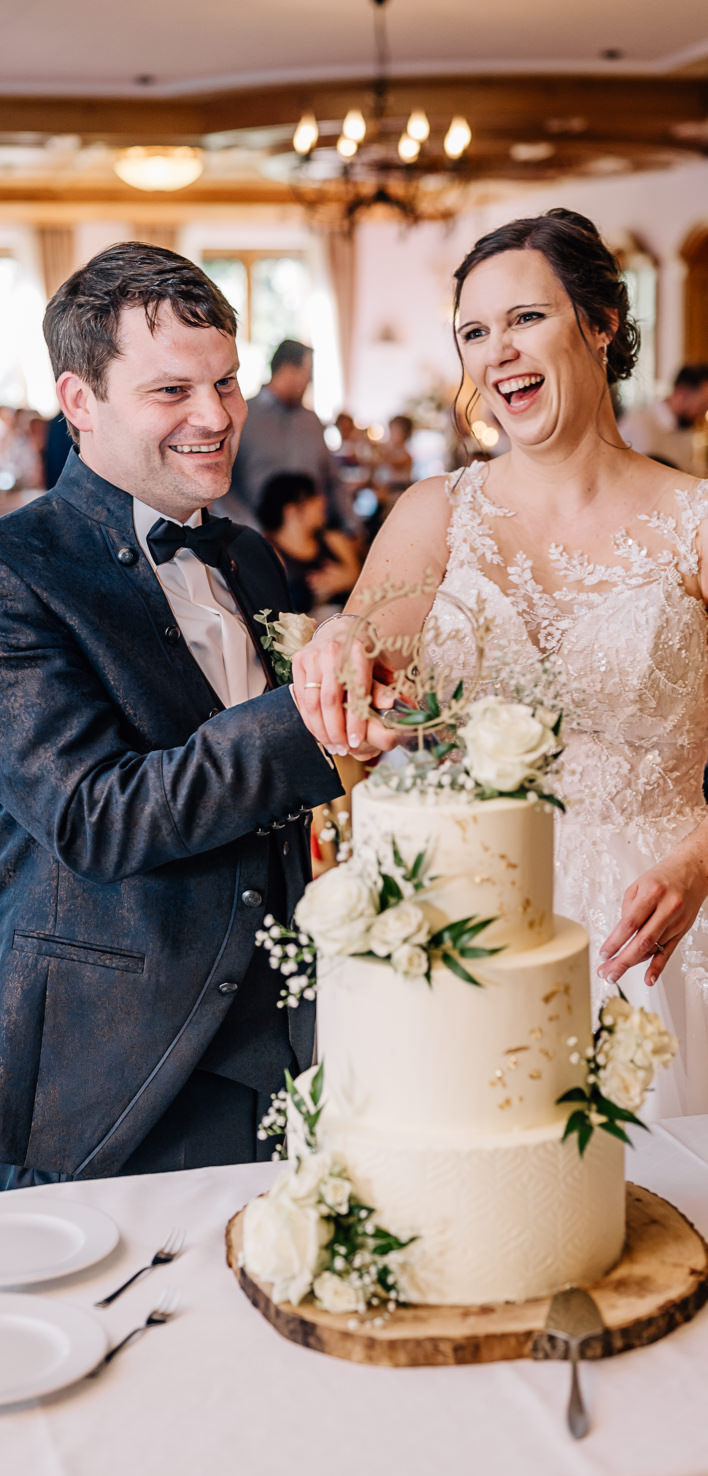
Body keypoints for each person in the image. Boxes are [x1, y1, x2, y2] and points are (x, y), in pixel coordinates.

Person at [0, 243, 399, 1188]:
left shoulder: (252, 558)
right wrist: (305, 728)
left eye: (226, 384)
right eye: (171, 392)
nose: (215, 419)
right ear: (80, 402)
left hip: (289, 1023)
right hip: (119, 1061)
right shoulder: (8, 574)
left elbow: (270, 789)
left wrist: (351, 738)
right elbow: (96, 814)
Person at [293, 207, 708, 1116]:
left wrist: (700, 861)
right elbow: (364, 686)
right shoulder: (434, 514)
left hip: (663, 925)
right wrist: (336, 659)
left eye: (525, 318)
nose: (496, 352)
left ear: (600, 323)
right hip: (471, 917)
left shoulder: (695, 524)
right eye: (475, 332)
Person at [230, 339, 343, 531]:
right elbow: (227, 488)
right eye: (308, 374)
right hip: (257, 533)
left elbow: (332, 480)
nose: (310, 382)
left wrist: (350, 528)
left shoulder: (311, 421)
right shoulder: (243, 416)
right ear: (288, 369)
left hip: (312, 535)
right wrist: (252, 532)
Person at [255, 470, 361, 615]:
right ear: (291, 510)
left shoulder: (334, 540)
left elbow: (363, 581)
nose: (322, 502)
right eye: (313, 497)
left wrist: (347, 580)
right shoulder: (270, 553)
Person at [619, 364, 708, 474]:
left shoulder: (687, 428)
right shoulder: (638, 423)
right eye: (703, 405)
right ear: (682, 394)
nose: (703, 415)